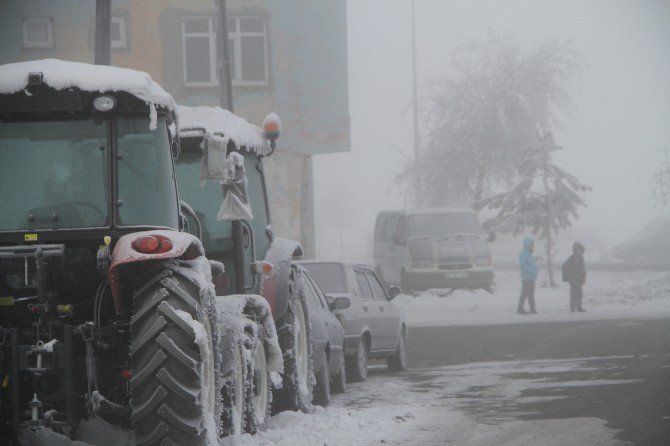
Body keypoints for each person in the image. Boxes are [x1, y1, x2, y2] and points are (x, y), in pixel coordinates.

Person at [562, 242, 587, 312]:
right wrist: (572, 276)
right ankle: (572, 308)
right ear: (575, 249)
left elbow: (582, 268)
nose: (580, 250)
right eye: (578, 249)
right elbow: (567, 268)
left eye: (580, 249)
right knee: (573, 295)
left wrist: (583, 276)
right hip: (574, 280)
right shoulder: (571, 258)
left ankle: (579, 307)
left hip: (579, 279)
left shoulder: (581, 258)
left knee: (580, 294)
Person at [518, 237, 538, 314]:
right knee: (525, 293)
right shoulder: (523, 254)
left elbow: (531, 264)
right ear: (527, 245)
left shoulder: (529, 254)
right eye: (531, 245)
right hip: (526, 277)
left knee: (531, 294)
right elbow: (523, 265)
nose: (532, 246)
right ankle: (520, 308)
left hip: (531, 277)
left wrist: (535, 269)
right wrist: (531, 271)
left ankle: (532, 308)